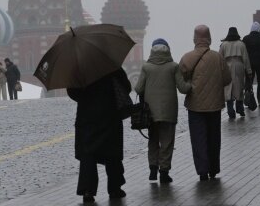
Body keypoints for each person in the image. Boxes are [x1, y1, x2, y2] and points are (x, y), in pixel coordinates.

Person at [67, 69, 131, 203]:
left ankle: (87, 190)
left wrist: (86, 96)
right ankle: (115, 188)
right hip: (110, 114)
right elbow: (126, 87)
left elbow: (73, 92)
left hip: (87, 117)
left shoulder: (80, 69)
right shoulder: (111, 66)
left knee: (88, 154)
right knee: (112, 152)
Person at [135, 38, 191, 184]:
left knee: (153, 139)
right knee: (167, 141)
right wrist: (192, 84)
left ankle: (153, 169)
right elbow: (183, 88)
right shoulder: (173, 66)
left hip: (150, 112)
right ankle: (164, 172)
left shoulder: (146, 67)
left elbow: (138, 89)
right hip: (168, 111)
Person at [179, 25, 231, 181]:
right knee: (214, 138)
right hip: (215, 105)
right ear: (209, 38)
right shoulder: (218, 57)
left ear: (195, 38)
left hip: (195, 107)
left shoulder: (187, 58)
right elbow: (227, 79)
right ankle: (214, 169)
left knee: (198, 139)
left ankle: (202, 170)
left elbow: (180, 82)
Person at [219, 27, 252, 119]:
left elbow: (220, 58)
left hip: (227, 65)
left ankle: (230, 110)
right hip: (239, 65)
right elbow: (245, 58)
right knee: (239, 86)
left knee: (228, 87)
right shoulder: (241, 44)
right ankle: (239, 108)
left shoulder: (223, 45)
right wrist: (249, 71)